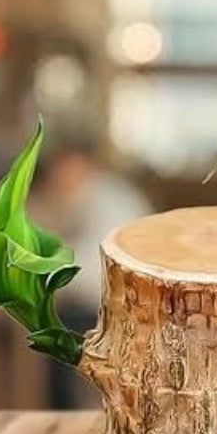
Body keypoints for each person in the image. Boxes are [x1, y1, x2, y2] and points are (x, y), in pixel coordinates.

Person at [34, 138, 152, 408]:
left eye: (63, 171)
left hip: (124, 307)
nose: (58, 180)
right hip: (112, 299)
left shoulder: (109, 202)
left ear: (80, 166)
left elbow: (89, 270)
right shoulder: (92, 196)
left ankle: (65, 411)